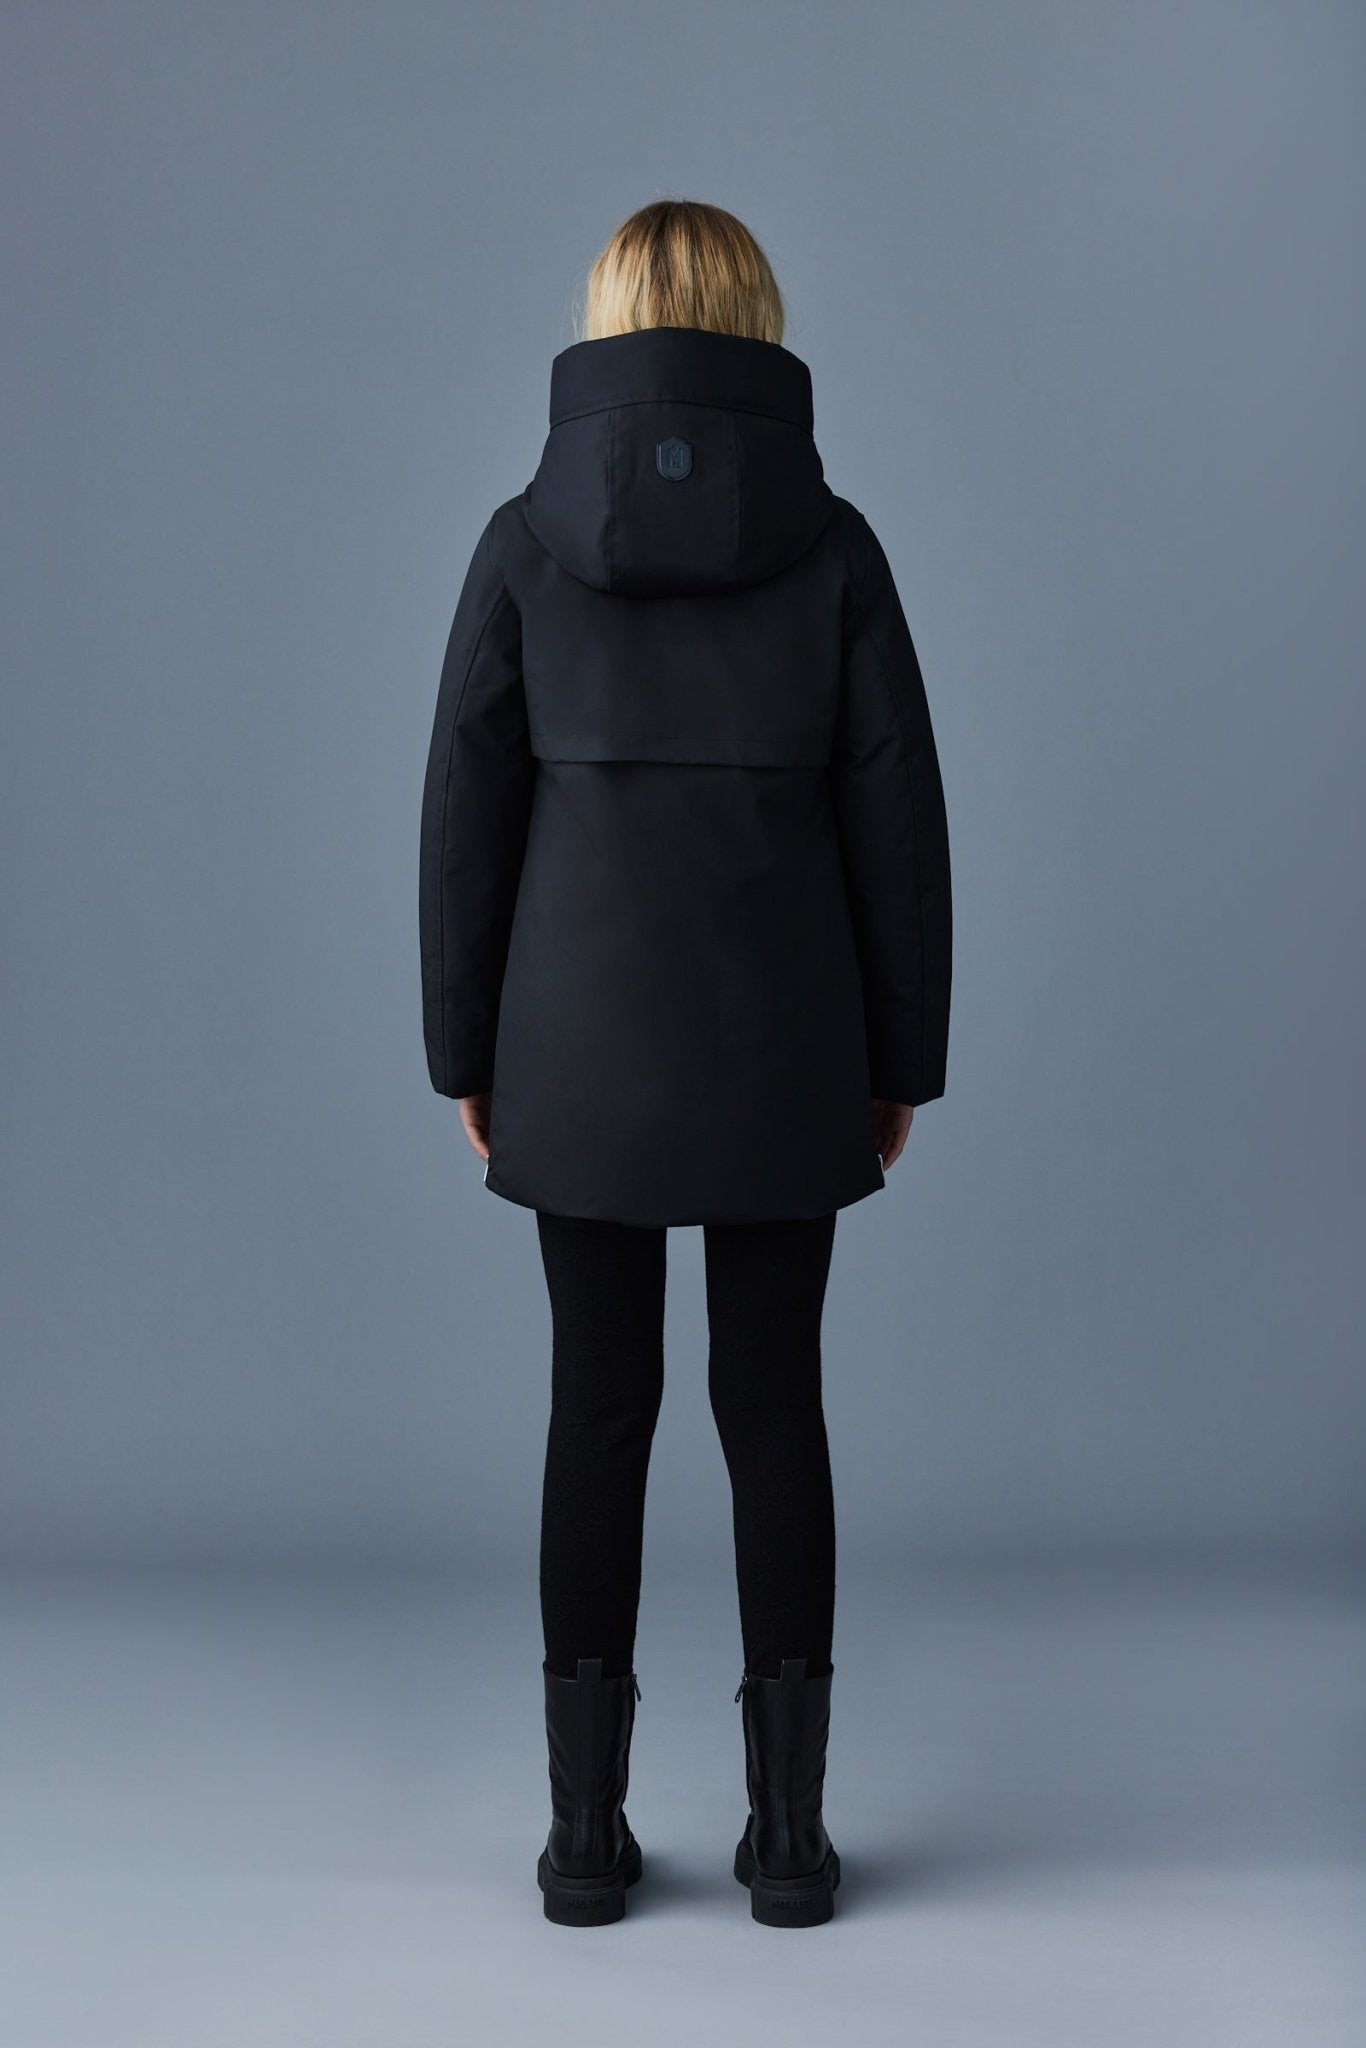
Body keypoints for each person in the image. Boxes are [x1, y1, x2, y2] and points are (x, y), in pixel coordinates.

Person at [418, 199, 952, 1928]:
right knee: (771, 1403)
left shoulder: (522, 538)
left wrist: (464, 1050)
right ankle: (788, 1842)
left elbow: (466, 814)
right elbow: (895, 819)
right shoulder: (835, 545)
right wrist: (899, 1058)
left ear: (608, 319)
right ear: (756, 318)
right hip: (786, 1042)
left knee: (597, 1406)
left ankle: (583, 1841)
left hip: (574, 1049)